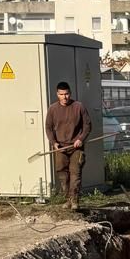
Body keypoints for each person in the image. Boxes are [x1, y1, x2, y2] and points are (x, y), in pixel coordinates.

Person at [44, 80, 91, 209]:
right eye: (61, 94)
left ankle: (75, 200)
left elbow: (87, 125)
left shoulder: (79, 107)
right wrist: (54, 142)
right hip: (61, 147)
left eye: (67, 94)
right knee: (62, 174)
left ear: (70, 93)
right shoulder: (53, 109)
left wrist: (81, 139)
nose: (64, 97)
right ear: (57, 94)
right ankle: (67, 199)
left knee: (75, 174)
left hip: (76, 147)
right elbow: (48, 127)